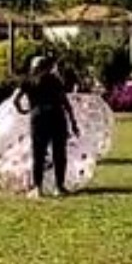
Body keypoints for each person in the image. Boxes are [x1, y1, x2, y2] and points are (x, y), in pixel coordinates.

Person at [13, 53, 79, 197]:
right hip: (57, 117)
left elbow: (16, 100)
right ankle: (59, 187)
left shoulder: (28, 81)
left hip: (38, 119)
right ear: (46, 67)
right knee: (59, 154)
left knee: (39, 154)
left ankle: (38, 188)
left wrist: (23, 110)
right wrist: (73, 122)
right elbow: (65, 102)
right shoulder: (54, 80)